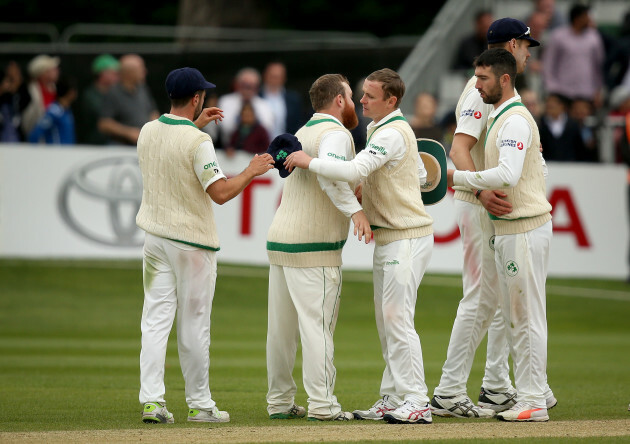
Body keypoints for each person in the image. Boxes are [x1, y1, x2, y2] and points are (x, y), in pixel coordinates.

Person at [285, 68, 435, 425]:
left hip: (408, 236)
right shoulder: (377, 128)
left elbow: (354, 170)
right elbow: (417, 176)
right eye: (361, 94)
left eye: (369, 95)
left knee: (398, 318)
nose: (362, 100)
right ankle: (394, 396)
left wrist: (308, 160)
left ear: (391, 100)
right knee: (388, 322)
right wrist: (373, 189)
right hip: (389, 237)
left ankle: (417, 400)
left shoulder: (394, 132)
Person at [431, 17, 556, 419]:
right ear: (511, 46)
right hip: (483, 201)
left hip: (494, 199)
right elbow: (460, 147)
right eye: (525, 46)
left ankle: (501, 385)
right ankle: (456, 389)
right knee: (487, 297)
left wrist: (473, 185)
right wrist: (480, 192)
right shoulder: (479, 91)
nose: (527, 53)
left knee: (506, 299)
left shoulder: (503, 102)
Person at [136, 67, 274, 424]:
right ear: (197, 98)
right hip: (191, 244)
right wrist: (251, 169)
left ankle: (152, 401)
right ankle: (200, 405)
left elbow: (172, 148)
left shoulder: (149, 130)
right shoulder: (198, 143)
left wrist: (195, 125)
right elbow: (221, 193)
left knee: (154, 321)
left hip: (155, 239)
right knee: (194, 325)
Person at [266, 73, 371, 422]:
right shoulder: (335, 134)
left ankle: (280, 402)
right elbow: (330, 174)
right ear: (339, 100)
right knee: (317, 328)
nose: (355, 104)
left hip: (281, 239)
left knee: (281, 331)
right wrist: (356, 212)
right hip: (314, 246)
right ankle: (323, 405)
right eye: (352, 97)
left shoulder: (301, 132)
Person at [542, 3, 605, 108]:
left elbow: (598, 65)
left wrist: (598, 89)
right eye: (586, 16)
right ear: (577, 18)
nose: (589, 19)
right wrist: (552, 88)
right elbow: (549, 63)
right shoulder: (558, 36)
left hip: (587, 92)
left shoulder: (594, 37)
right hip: (562, 91)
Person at [98, 53, 159, 146]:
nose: (145, 71)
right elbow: (104, 124)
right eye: (141, 69)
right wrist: (129, 133)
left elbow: (153, 112)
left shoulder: (142, 89)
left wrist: (153, 127)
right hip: (121, 146)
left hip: (144, 144)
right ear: (129, 73)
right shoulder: (113, 93)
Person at [217, 67, 275, 148]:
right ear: (237, 85)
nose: (248, 89)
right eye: (245, 85)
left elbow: (267, 128)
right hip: (230, 152)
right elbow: (225, 128)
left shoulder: (264, 104)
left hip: (256, 151)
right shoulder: (225, 101)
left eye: (251, 86)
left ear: (257, 87)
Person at [76, 54, 120, 145]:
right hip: (95, 145)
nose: (118, 77)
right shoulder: (90, 95)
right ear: (103, 74)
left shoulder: (114, 93)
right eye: (114, 73)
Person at [260, 61, 305, 138]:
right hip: (260, 146)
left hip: (286, 146)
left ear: (284, 78)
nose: (274, 80)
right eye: (272, 76)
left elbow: (298, 124)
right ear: (265, 76)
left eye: (278, 77)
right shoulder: (256, 96)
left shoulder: (293, 99)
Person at [28, 75, 77, 145]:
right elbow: (34, 135)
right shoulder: (54, 112)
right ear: (71, 92)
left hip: (68, 154)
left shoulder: (67, 111)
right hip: (56, 154)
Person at [21, 54, 59, 137]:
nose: (57, 71)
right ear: (43, 73)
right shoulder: (30, 92)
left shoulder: (55, 89)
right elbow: (27, 123)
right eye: (52, 69)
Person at [538, 93, 585, 161]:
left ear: (561, 106)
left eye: (552, 106)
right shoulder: (541, 124)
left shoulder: (572, 124)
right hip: (548, 163)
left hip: (570, 164)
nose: (550, 108)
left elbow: (578, 147)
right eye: (548, 106)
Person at [0, 60, 31, 142]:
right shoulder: (3, 86)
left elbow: (26, 101)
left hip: (18, 133)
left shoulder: (23, 89)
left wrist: (16, 86)